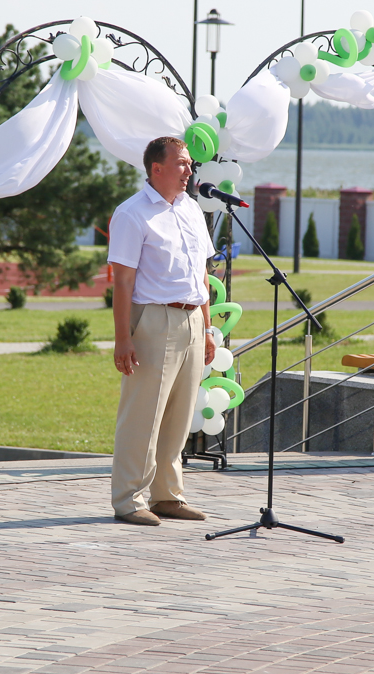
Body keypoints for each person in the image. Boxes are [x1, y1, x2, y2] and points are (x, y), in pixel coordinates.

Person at [107, 136, 216, 526]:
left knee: (179, 415)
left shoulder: (191, 210)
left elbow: (202, 273)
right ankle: (128, 499)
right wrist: (123, 338)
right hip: (153, 320)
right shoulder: (132, 214)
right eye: (182, 164)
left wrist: (206, 327)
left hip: (191, 320)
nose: (189, 171)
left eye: (189, 164)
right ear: (157, 168)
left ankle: (167, 496)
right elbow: (122, 282)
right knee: (143, 414)